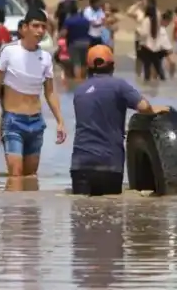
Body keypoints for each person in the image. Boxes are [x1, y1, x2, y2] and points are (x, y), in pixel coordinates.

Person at [70, 45, 168, 196]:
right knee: (110, 213)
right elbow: (143, 106)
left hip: (80, 164)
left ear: (88, 67)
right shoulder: (119, 86)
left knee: (82, 211)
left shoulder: (79, 91)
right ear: (112, 66)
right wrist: (152, 110)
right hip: (109, 163)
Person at [0, 10, 66, 180]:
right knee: (16, 175)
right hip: (13, 122)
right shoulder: (8, 51)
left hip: (36, 123)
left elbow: (49, 93)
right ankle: (11, 205)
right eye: (35, 26)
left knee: (30, 177)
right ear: (24, 28)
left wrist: (60, 121)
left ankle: (26, 207)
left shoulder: (46, 58)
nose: (40, 31)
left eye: (43, 27)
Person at [130, 0, 166, 81]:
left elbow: (144, 33)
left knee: (147, 66)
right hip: (155, 46)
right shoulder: (157, 17)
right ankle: (162, 81)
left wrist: (137, 31)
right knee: (158, 67)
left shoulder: (146, 20)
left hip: (146, 46)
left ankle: (147, 83)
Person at [61, 0, 91, 81]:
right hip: (86, 43)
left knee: (76, 63)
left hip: (74, 44)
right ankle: (84, 80)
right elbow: (89, 29)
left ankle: (78, 82)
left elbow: (63, 33)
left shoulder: (69, 21)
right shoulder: (85, 19)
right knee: (84, 64)